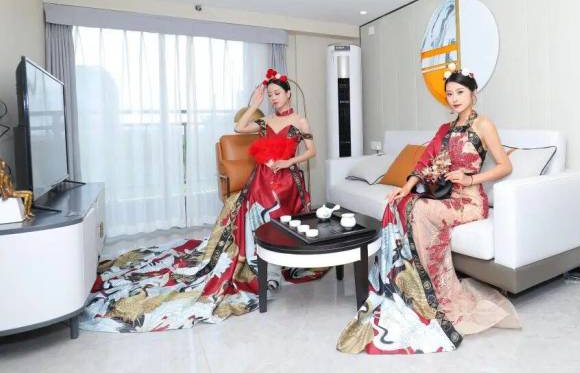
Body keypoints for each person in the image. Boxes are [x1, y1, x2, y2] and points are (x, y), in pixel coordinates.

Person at [80, 69, 319, 332]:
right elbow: (239, 127)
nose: (273, 98)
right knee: (258, 220)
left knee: (283, 224)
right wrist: (254, 104)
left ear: (288, 93)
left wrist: (289, 161)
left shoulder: (300, 121)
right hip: (262, 179)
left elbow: (311, 151)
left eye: (277, 94)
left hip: (287, 179)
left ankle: (280, 263)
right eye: (270, 95)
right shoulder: (265, 121)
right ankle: (260, 267)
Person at [337, 65, 520, 354]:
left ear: (473, 93)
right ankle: (407, 285)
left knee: (418, 209)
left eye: (460, 92)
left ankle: (430, 290)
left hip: (470, 201)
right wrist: (405, 187)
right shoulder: (444, 130)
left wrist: (471, 179)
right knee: (400, 202)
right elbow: (424, 162)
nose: (454, 98)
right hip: (447, 198)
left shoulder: (483, 125)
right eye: (450, 94)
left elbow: (504, 165)